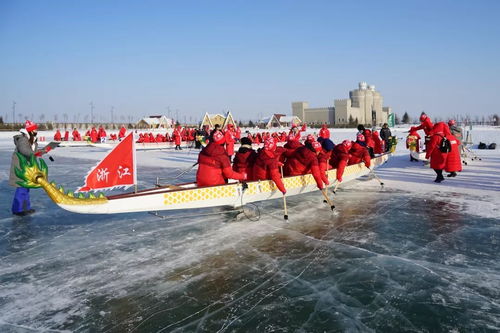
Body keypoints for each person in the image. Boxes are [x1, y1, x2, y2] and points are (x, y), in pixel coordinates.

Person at [9, 120, 53, 216]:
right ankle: (18, 210)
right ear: (30, 130)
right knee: (21, 189)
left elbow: (33, 153)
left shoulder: (32, 140)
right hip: (20, 167)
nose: (36, 131)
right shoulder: (22, 139)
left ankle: (25, 208)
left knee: (26, 188)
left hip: (27, 168)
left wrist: (45, 150)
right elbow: (25, 151)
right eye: (35, 129)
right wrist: (36, 153)